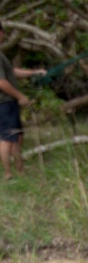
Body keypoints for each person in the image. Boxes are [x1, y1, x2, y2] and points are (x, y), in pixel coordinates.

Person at [0, 22, 47, 181]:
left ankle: (20, 169)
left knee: (18, 136)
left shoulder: (1, 55)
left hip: (9, 104)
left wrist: (35, 72)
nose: (4, 36)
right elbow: (1, 82)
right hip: (4, 103)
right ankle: (8, 174)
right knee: (6, 139)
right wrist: (20, 96)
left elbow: (12, 72)